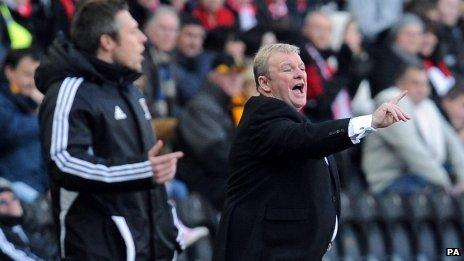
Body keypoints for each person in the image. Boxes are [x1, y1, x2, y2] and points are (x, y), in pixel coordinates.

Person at [212, 43, 410, 260]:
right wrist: (370, 122)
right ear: (265, 83)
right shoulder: (262, 117)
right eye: (288, 69)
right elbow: (307, 139)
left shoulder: (294, 120)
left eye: (302, 68)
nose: (299, 74)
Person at [36, 0, 184, 260]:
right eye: (133, 31)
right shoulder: (70, 91)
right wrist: (142, 170)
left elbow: (148, 176)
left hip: (148, 247)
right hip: (99, 249)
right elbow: (64, 161)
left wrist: (168, 235)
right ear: (107, 42)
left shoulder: (129, 89)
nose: (143, 39)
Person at [363, 64, 464, 195]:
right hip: (391, 180)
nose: (422, 89)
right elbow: (411, 149)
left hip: (421, 174)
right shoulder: (391, 102)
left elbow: (453, 143)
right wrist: (445, 184)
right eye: (415, 83)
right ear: (400, 84)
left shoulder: (427, 106)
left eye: (425, 84)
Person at [176, 53, 244, 211]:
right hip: (205, 183)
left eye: (238, 73)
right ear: (212, 75)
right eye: (227, 73)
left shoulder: (230, 104)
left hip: (224, 178)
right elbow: (217, 156)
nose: (234, 78)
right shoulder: (201, 106)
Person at [0, 48, 47, 203]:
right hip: (13, 190)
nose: (32, 81)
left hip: (40, 186)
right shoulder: (3, 100)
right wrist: (46, 113)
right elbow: (10, 132)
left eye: (36, 75)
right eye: (27, 74)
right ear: (9, 71)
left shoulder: (31, 101)